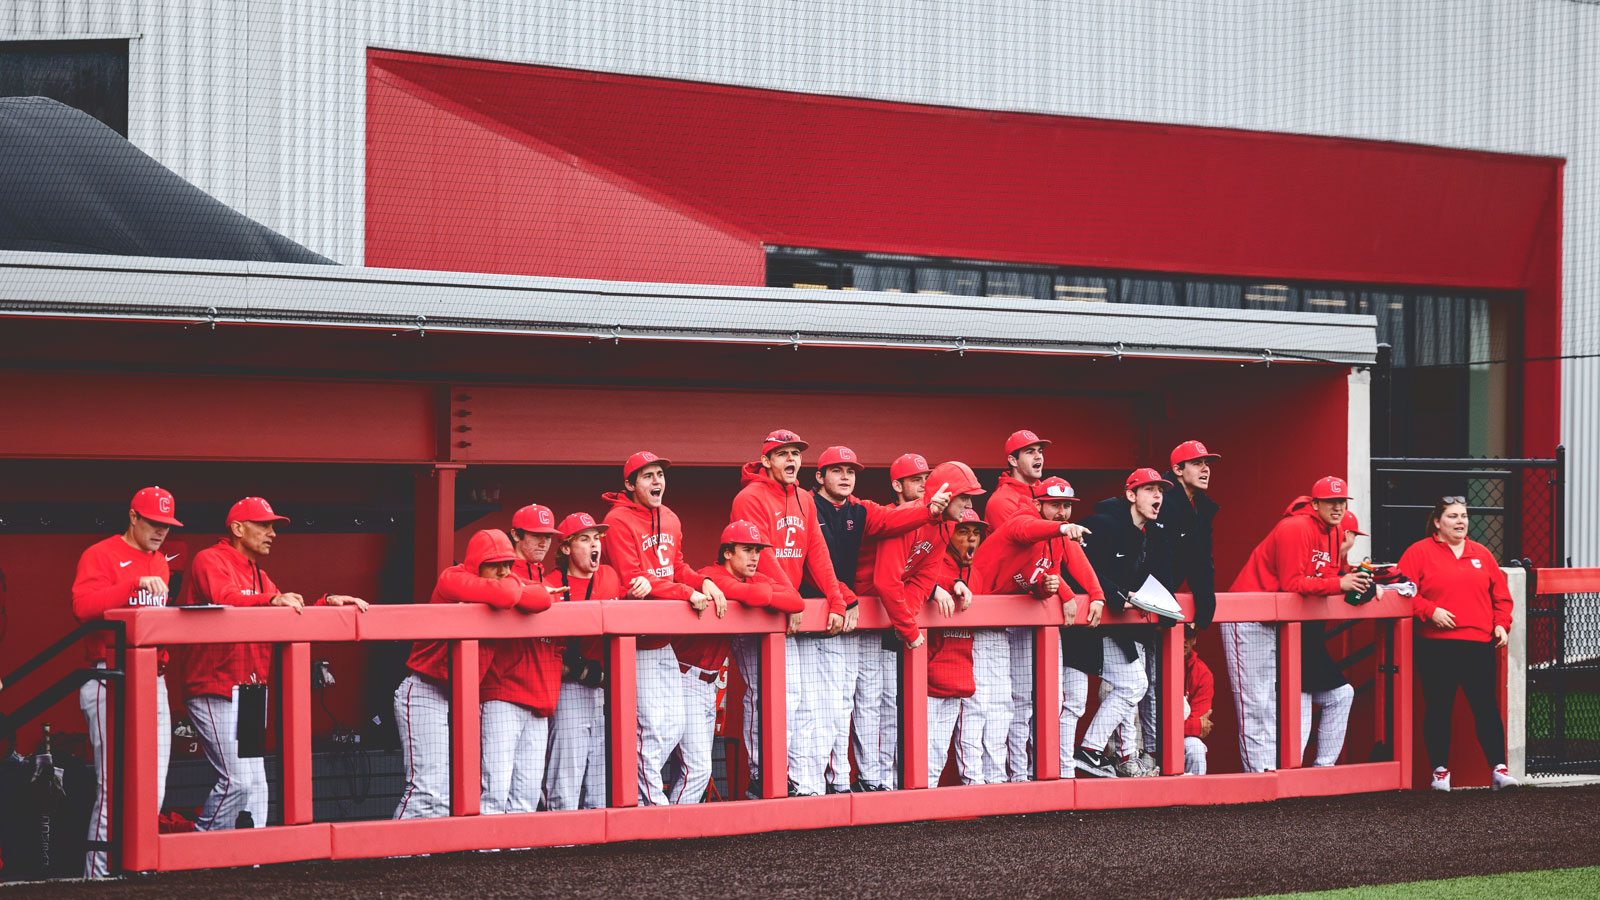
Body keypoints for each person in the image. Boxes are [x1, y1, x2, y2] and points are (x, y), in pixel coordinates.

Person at [179, 497, 369, 830]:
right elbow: (226, 599)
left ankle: (253, 865)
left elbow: (289, 615)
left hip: (251, 690)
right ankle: (197, 851)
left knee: (255, 788)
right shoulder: (209, 559)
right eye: (264, 525)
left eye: (272, 526)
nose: (272, 533)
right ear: (238, 529)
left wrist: (327, 604)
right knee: (236, 781)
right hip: (215, 685)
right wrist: (272, 599)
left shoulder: (261, 576)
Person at [808, 445, 943, 795]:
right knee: (819, 705)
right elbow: (808, 563)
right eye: (837, 470)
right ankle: (823, 782)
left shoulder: (862, 509)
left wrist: (929, 511)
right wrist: (844, 595)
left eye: (850, 471)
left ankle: (865, 779)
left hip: (856, 620)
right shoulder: (805, 506)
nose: (845, 476)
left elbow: (895, 520)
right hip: (814, 617)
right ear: (819, 477)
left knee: (863, 702)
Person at [729, 429, 853, 797]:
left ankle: (794, 778)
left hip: (786, 608)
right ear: (766, 460)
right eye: (782, 454)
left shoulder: (803, 498)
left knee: (797, 697)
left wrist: (836, 597)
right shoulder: (748, 497)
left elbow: (817, 552)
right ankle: (761, 774)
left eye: (796, 453)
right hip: (758, 611)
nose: (791, 460)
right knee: (762, 695)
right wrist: (790, 597)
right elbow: (760, 554)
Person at [394, 529, 550, 819]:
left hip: (462, 699)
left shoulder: (500, 581)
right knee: (428, 790)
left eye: (508, 564)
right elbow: (507, 594)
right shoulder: (453, 578)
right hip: (426, 691)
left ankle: (430, 859)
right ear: (477, 564)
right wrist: (516, 588)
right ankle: (395, 858)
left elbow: (542, 597)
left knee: (449, 796)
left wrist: (514, 587)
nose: (504, 571)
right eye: (495, 565)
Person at [1225, 476, 1371, 773]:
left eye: (1342, 501)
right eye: (1331, 502)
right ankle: (1259, 781)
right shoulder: (1295, 527)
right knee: (1257, 705)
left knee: (1275, 703)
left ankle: (1280, 774)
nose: (1338, 507)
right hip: (1249, 616)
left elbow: (1328, 576)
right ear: (1315, 503)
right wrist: (1339, 583)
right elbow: (1293, 583)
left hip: (1278, 622)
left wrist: (1357, 583)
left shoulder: (1332, 531)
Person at [71, 487, 182, 877]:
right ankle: (98, 878)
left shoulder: (160, 562)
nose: (160, 532)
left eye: (167, 525)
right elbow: (82, 607)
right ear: (133, 517)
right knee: (113, 787)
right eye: (154, 523)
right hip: (108, 679)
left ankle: (137, 870)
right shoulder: (100, 554)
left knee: (154, 787)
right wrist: (131, 586)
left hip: (152, 681)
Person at [600, 451, 720, 806]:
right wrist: (687, 592)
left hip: (663, 642)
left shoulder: (670, 518)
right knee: (651, 728)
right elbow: (633, 578)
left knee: (673, 726)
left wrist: (706, 582)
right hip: (634, 642)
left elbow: (677, 566)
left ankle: (652, 801)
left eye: (660, 475)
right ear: (629, 484)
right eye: (647, 476)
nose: (657, 482)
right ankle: (652, 804)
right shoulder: (618, 520)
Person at [968, 476, 1100, 783]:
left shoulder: (1055, 536)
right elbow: (1027, 531)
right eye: (1055, 506)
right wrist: (1061, 531)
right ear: (1038, 503)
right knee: (983, 707)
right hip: (976, 620)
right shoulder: (1022, 519)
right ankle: (992, 780)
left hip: (1003, 625)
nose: (1062, 513)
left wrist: (1096, 594)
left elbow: (1055, 571)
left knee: (1013, 704)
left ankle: (1017, 777)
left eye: (1067, 507)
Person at [678, 521, 805, 803]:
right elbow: (758, 596)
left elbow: (796, 601)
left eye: (757, 551)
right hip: (682, 679)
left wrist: (764, 595)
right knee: (694, 769)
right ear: (727, 552)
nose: (754, 557)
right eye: (747, 550)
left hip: (707, 685)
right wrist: (767, 596)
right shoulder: (711, 576)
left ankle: (673, 832)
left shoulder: (753, 577)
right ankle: (669, 834)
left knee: (689, 768)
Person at [1398, 496, 1518, 792]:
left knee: (1486, 708)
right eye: (1452, 516)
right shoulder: (1419, 552)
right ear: (1437, 522)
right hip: (1436, 646)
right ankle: (1440, 772)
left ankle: (1499, 771)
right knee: (1439, 707)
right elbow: (1401, 589)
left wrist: (1502, 624)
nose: (1461, 521)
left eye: (1463, 516)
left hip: (1478, 644)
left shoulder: (1482, 554)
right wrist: (1430, 611)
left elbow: (1501, 597)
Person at [1066, 468, 1175, 778]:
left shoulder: (1150, 534)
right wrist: (1115, 594)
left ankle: (1089, 752)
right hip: (1077, 625)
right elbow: (1076, 565)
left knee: (1133, 684)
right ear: (1131, 495)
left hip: (1111, 627)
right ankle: (1073, 760)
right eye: (1150, 490)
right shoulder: (1102, 523)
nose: (1158, 497)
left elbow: (1155, 577)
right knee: (1058, 702)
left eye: (1161, 491)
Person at [850, 451, 935, 791]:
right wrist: (908, 622)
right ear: (897, 485)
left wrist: (942, 585)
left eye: (926, 480)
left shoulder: (930, 523)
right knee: (854, 702)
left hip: (887, 623)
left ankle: (883, 779)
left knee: (885, 703)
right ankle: (867, 778)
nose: (923, 486)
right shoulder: (892, 518)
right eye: (916, 481)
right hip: (857, 618)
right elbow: (888, 580)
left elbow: (924, 572)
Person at [478, 504, 564, 814]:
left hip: (540, 699)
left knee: (527, 793)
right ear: (516, 534)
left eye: (548, 537)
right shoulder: (501, 573)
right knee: (494, 788)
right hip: (502, 695)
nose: (543, 543)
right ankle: (483, 856)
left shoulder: (548, 577)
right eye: (535, 536)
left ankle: (517, 862)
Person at [542, 513, 623, 811]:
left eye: (597, 538)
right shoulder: (550, 584)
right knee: (567, 770)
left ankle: (593, 852)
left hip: (606, 690)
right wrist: (580, 671)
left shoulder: (611, 576)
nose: (595, 545)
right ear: (565, 548)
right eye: (585, 539)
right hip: (568, 689)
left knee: (601, 776)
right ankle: (560, 844)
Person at [902, 508, 988, 786]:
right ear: (948, 534)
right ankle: (912, 806)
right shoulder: (933, 562)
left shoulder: (978, 571)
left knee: (938, 748)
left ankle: (929, 806)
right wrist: (944, 586)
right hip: (923, 674)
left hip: (957, 673)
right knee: (915, 745)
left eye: (975, 533)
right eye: (963, 532)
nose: (971, 539)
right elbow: (909, 576)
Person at [1297, 509, 1363, 769]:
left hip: (1310, 647)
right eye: (1353, 535)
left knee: (1342, 694)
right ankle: (1292, 774)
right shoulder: (1319, 558)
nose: (1352, 541)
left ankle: (1323, 767)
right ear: (1345, 534)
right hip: (1288, 644)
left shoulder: (1336, 564)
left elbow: (1348, 587)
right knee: (1299, 709)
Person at [988, 430, 1049, 524]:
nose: (1038, 456)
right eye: (1030, 452)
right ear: (1013, 461)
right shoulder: (1001, 501)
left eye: (1040, 451)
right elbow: (1020, 537)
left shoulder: (1046, 491)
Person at [1182, 625, 1215, 775]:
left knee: (1195, 749)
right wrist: (1193, 726)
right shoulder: (1150, 665)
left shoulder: (1201, 672)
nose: (1183, 640)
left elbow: (1200, 722)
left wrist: (1193, 727)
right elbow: (1152, 722)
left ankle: (1193, 798)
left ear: (1194, 639)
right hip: (1148, 740)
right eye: (1178, 634)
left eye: (1188, 635)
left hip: (1182, 737)